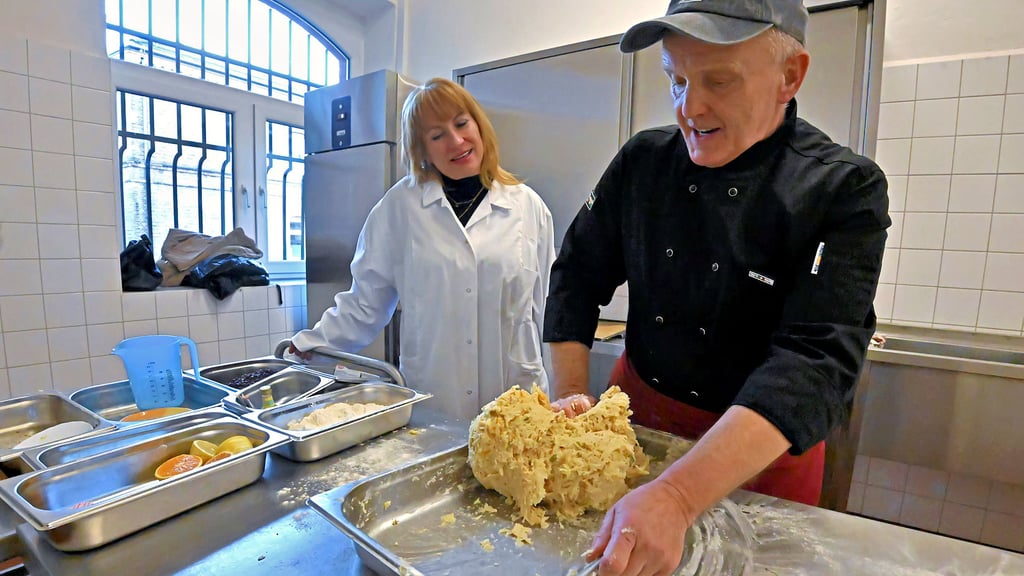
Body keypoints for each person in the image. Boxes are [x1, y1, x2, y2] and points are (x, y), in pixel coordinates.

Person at [543, 1, 890, 574]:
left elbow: (813, 362)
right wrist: (571, 397)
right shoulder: (644, 162)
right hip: (635, 424)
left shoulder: (842, 189)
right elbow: (577, 273)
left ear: (790, 76)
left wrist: (677, 496)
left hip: (757, 458)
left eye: (718, 81)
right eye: (675, 80)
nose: (689, 108)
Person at [290, 78, 555, 421]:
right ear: (422, 149)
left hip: (516, 397)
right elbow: (365, 303)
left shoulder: (528, 207)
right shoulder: (400, 208)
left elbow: (547, 307)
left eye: (461, 124)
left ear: (478, 124)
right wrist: (313, 343)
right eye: (436, 135)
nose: (456, 141)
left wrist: (562, 390)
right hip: (437, 399)